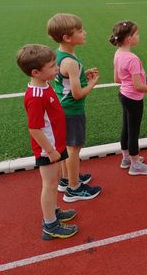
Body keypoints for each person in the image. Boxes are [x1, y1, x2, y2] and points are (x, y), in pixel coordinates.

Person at [16, 44, 78, 240]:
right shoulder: (35, 96)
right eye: (52, 66)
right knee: (50, 185)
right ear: (36, 72)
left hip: (56, 144)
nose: (57, 69)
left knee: (57, 177)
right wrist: (50, 151)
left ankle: (54, 210)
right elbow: (34, 128)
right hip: (48, 149)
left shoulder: (44, 84)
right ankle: (50, 224)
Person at [47, 13, 102, 202]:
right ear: (67, 38)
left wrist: (81, 76)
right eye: (79, 30)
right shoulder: (71, 62)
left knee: (65, 146)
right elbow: (77, 93)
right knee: (74, 148)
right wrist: (92, 83)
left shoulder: (59, 55)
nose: (84, 32)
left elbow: (65, 81)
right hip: (72, 110)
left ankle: (66, 179)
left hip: (61, 109)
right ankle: (74, 188)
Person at [110, 20, 147, 175]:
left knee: (126, 127)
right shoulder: (132, 59)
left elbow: (117, 79)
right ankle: (135, 164)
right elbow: (138, 86)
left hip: (123, 95)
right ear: (129, 39)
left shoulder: (118, 53)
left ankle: (126, 158)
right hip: (134, 98)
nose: (139, 36)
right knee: (134, 130)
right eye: (136, 34)